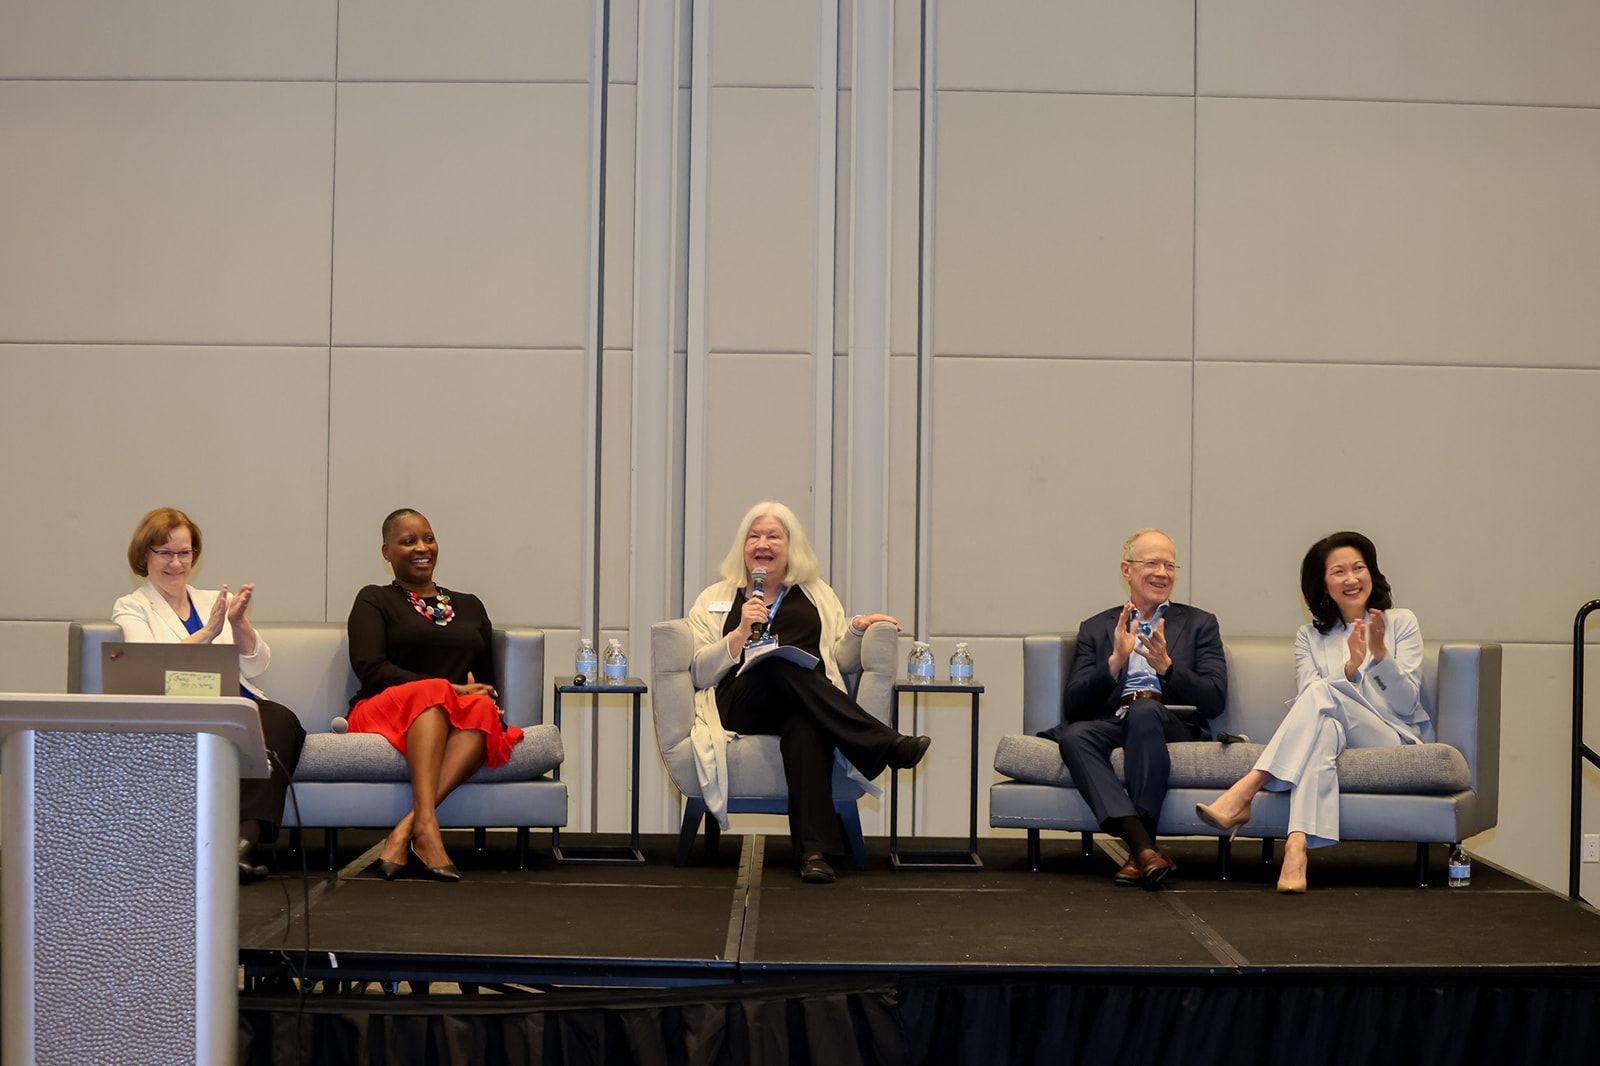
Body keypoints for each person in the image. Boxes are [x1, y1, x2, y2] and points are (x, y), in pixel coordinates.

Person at [687, 501, 930, 884]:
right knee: (775, 665)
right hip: (739, 701)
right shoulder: (715, 599)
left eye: (773, 536)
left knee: (805, 726)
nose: (762, 544)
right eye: (754, 536)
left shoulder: (816, 594)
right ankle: (882, 742)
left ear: (790, 547)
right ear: (743, 546)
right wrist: (737, 635)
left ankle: (814, 853)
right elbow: (700, 673)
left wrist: (859, 628)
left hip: (805, 701)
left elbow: (843, 659)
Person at [1198, 531, 1428, 893]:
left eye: (1358, 568)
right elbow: (1309, 700)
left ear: (1372, 573)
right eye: (1339, 572)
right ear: (1323, 584)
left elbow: (1407, 704)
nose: (1351, 579)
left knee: (1323, 692)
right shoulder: (1310, 636)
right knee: (1322, 728)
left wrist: (1379, 655)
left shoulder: (1400, 622)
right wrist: (1350, 667)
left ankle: (1246, 790)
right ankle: (1296, 849)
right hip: (1334, 731)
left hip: (1390, 734)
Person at [113, 507, 308, 884]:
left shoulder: (211, 600)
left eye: (183, 553)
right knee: (241, 723)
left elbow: (254, 666)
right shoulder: (132, 606)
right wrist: (206, 634)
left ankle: (241, 847)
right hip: (179, 707)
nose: (175, 563)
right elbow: (150, 668)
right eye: (164, 552)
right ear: (144, 556)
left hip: (233, 701)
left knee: (280, 720)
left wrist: (238, 623)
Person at [1040, 528, 1227, 889]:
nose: (1163, 573)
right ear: (1127, 570)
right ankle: (1144, 850)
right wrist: (1113, 663)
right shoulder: (1096, 627)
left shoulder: (1201, 623)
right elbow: (1074, 705)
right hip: (1114, 720)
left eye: (1170, 565)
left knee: (1145, 710)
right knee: (1076, 735)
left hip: (1171, 721)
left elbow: (1215, 698)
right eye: (1152, 563)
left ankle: (1139, 847)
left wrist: (1167, 668)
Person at [345, 508, 523, 882]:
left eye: (428, 538)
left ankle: (411, 828)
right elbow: (370, 667)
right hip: (384, 710)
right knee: (433, 694)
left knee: (480, 709)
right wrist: (445, 688)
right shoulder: (374, 600)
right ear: (386, 552)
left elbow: (484, 678)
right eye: (408, 541)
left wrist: (474, 693)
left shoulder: (471, 604)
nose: (421, 547)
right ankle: (424, 830)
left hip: (452, 713)